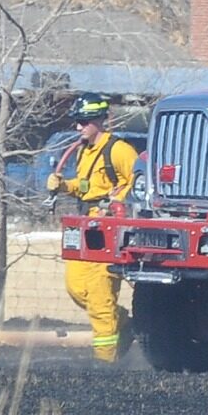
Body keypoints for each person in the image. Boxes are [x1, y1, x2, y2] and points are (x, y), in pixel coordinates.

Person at [48, 94, 139, 363]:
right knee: (76, 287)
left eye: (84, 122)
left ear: (100, 120)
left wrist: (117, 200)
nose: (78, 128)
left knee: (100, 300)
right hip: (85, 225)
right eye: (77, 122)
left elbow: (141, 182)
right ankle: (123, 323)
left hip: (108, 230)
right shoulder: (83, 151)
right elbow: (87, 187)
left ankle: (105, 363)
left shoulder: (119, 151)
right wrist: (64, 186)